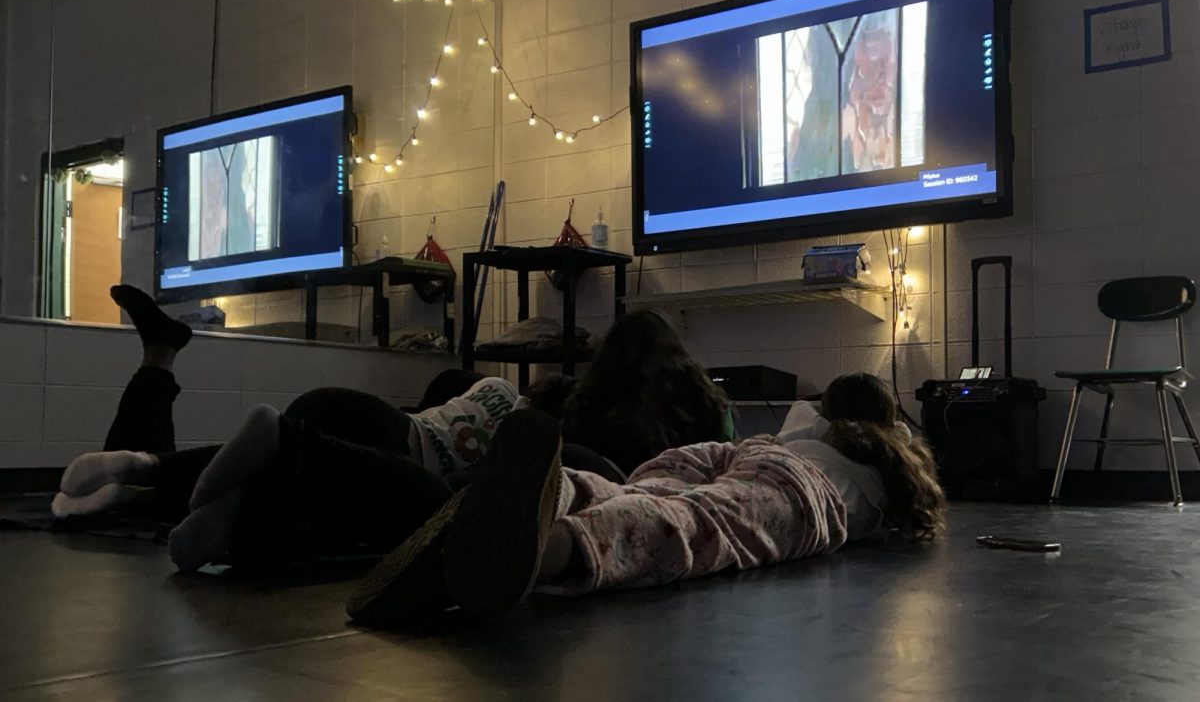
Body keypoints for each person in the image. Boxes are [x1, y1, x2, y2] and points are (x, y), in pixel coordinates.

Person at [346, 373, 946, 625]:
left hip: (732, 451)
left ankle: (558, 495)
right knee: (693, 524)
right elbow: (915, 516)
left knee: (638, 490)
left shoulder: (807, 427)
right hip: (797, 491)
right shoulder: (888, 461)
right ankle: (547, 548)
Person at [52, 285, 517, 571]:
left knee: (245, 464)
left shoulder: (473, 397)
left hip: (353, 415)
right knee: (279, 474)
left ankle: (140, 469)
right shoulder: (507, 427)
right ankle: (154, 484)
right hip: (377, 436)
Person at [560, 309, 734, 478]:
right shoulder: (699, 394)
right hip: (680, 495)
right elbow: (722, 453)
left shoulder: (590, 397)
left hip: (603, 495)